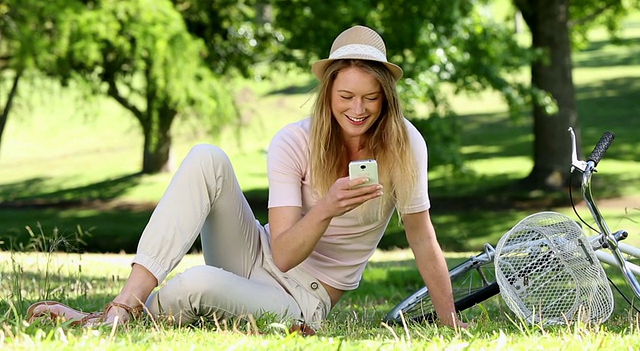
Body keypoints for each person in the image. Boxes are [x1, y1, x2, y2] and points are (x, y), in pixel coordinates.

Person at [26, 25, 466, 332]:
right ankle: (123, 305)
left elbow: (422, 238)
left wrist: (450, 322)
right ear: (327, 94)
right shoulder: (294, 141)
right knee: (206, 157)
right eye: (346, 96)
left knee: (197, 284)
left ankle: (115, 317)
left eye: (370, 98)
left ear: (386, 98)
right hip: (257, 252)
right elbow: (282, 250)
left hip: (303, 300)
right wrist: (329, 206)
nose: (358, 109)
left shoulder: (406, 146)